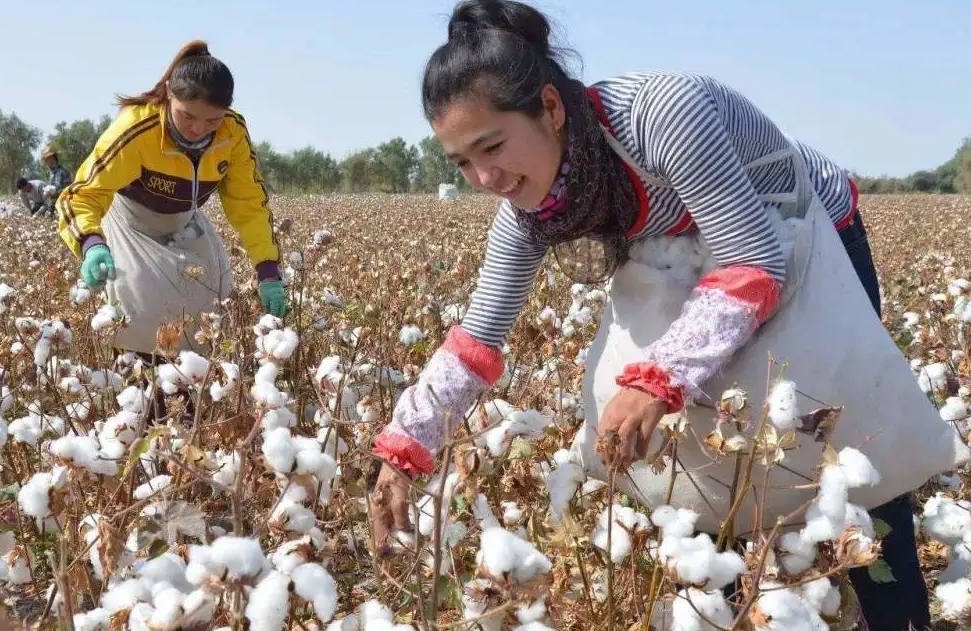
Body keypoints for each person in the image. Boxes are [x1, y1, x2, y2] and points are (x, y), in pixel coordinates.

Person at [368, 1, 931, 629]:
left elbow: (753, 264)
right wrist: (407, 447)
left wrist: (655, 380)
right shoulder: (531, 210)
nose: (484, 176)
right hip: (697, 258)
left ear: (551, 108)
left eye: (492, 146)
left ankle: (897, 614)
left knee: (851, 452)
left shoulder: (662, 114)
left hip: (804, 238)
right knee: (712, 459)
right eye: (462, 162)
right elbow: (478, 339)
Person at [56, 40, 288, 361]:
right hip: (131, 222)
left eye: (212, 121)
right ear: (169, 94)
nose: (198, 129)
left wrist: (267, 270)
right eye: (187, 116)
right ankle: (142, 385)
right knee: (138, 302)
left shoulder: (232, 133)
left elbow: (249, 204)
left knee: (213, 299)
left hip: (184, 219)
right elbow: (82, 194)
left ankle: (192, 389)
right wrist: (92, 243)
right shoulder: (137, 128)